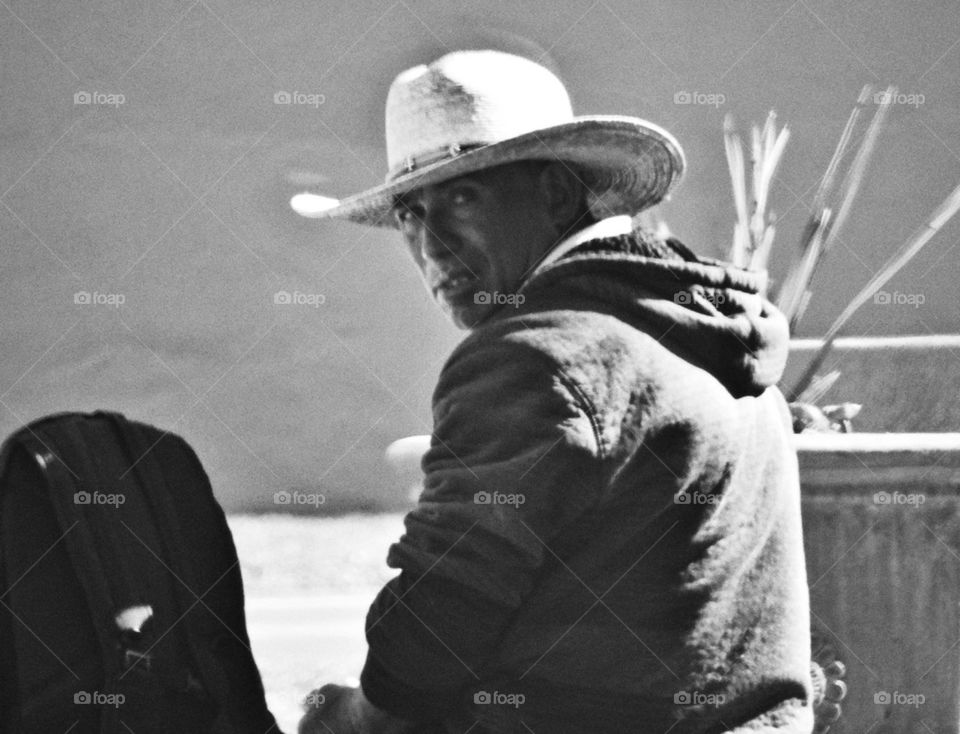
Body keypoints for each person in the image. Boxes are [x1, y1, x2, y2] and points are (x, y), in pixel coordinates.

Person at [293, 49, 813, 733]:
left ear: (558, 195)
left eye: (461, 197)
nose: (430, 243)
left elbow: (441, 620)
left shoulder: (532, 356)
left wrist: (349, 717)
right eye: (411, 214)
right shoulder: (713, 333)